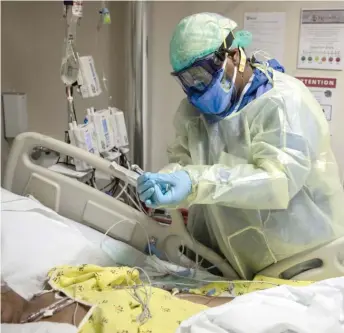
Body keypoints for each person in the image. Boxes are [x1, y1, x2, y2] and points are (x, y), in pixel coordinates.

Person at [137, 12, 344, 279]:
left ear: (234, 55)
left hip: (303, 262)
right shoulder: (193, 111)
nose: (196, 88)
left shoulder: (284, 103)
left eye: (202, 73)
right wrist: (168, 179)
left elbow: (277, 181)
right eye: (187, 79)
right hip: (229, 261)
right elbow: (186, 162)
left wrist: (195, 181)